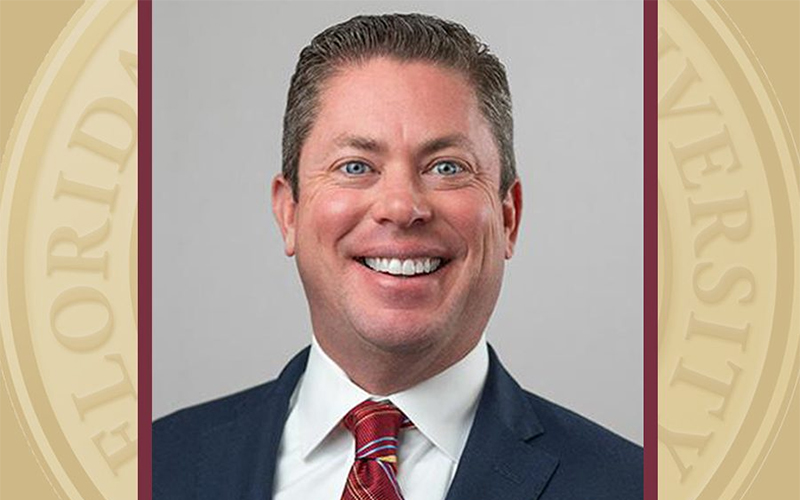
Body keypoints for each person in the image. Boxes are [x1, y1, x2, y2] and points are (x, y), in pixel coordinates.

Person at [153, 13, 642, 500]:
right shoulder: (152, 468)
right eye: (356, 166)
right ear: (289, 213)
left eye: (446, 167)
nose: (401, 207)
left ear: (508, 217)